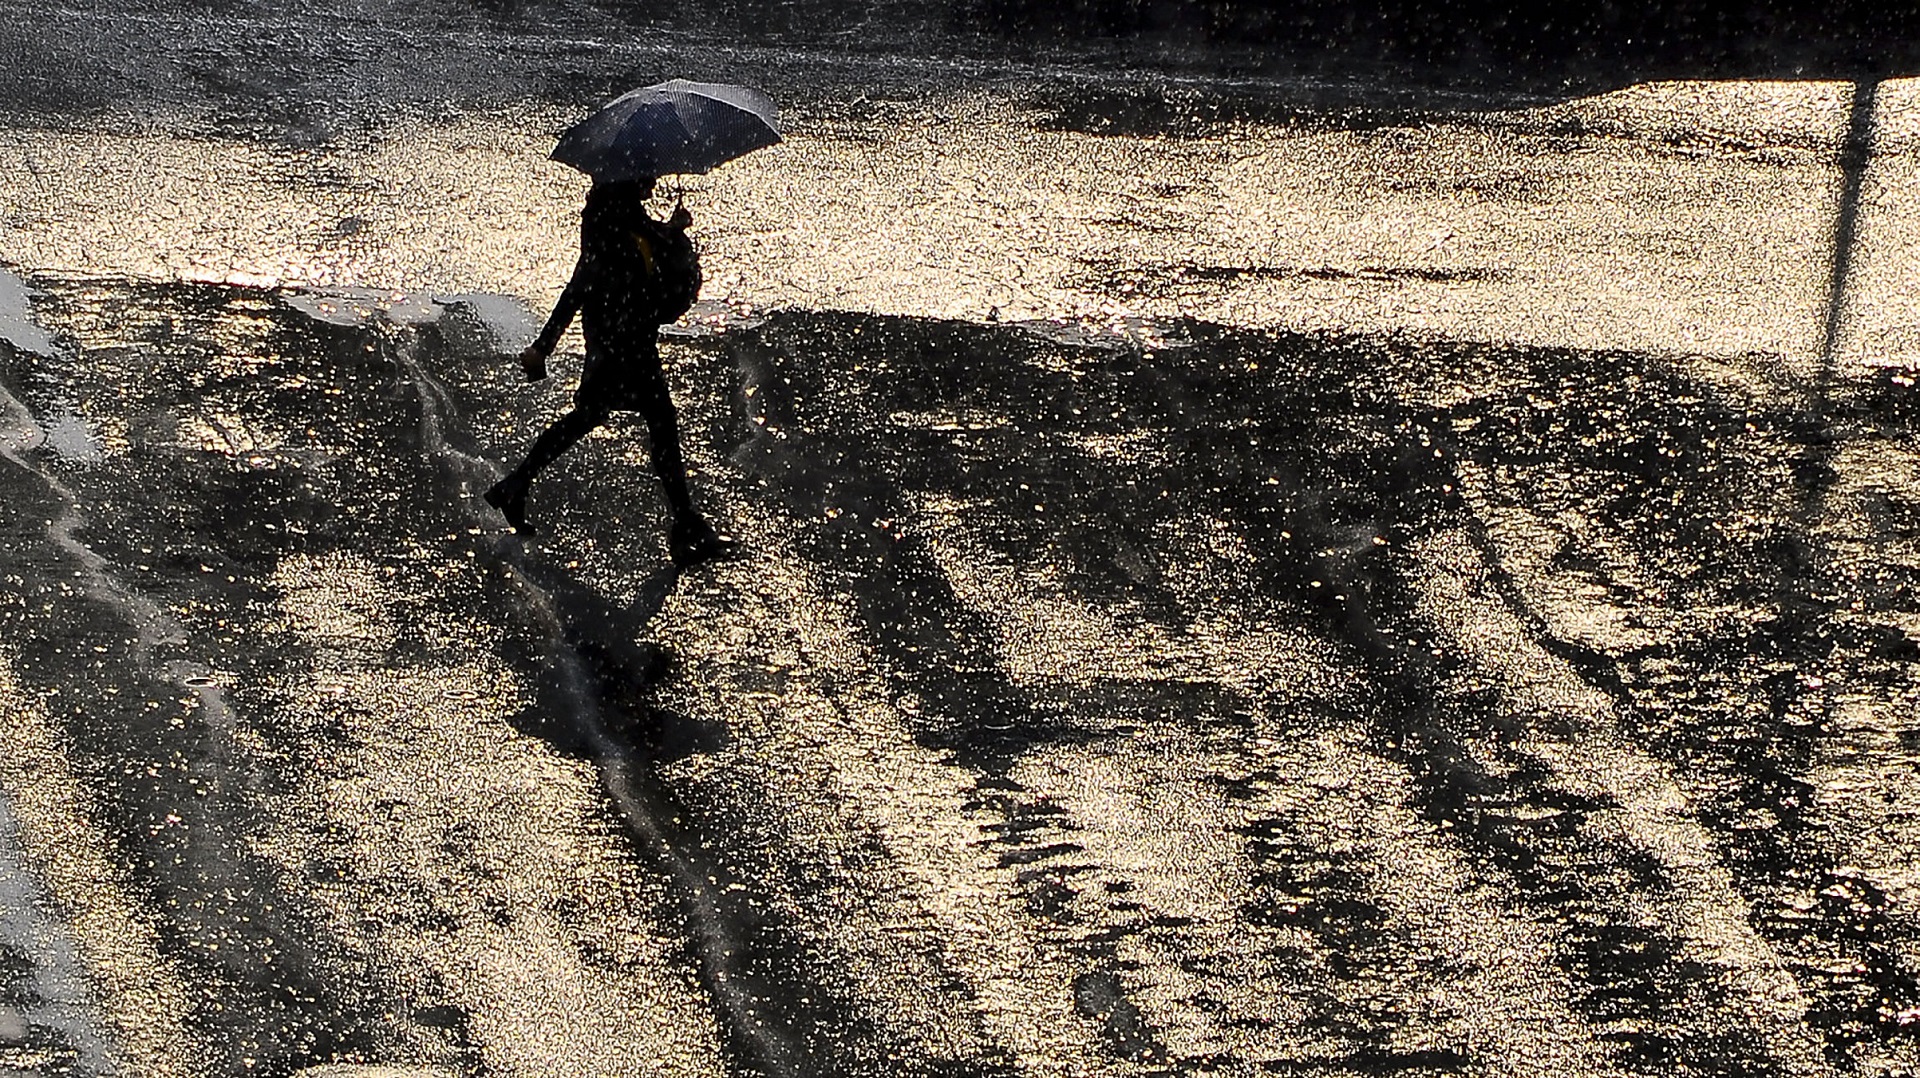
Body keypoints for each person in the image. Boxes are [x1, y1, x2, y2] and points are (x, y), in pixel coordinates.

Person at [485, 176, 736, 568]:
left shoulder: (618, 216)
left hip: (618, 340)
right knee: (660, 423)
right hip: (623, 344)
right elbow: (578, 289)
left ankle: (516, 484)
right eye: (646, 174)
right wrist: (543, 346)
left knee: (594, 416)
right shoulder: (610, 223)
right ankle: (685, 524)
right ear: (627, 179)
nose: (653, 180)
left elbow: (642, 243)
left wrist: (672, 228)